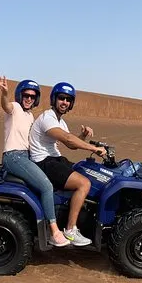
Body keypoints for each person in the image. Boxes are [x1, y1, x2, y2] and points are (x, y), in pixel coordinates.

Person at [29, 82, 107, 247]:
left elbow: (71, 144)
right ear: (54, 99)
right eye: (61, 98)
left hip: (55, 159)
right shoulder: (48, 118)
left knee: (85, 171)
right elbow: (68, 139)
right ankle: (71, 230)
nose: (64, 102)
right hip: (44, 162)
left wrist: (83, 136)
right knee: (84, 183)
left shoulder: (60, 121)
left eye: (68, 99)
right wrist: (94, 148)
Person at [0, 75, 70, 247]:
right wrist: (4, 93)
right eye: (26, 95)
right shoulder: (15, 108)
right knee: (46, 186)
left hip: (27, 157)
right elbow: (6, 106)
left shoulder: (30, 116)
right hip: (14, 156)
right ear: (20, 95)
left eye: (32, 96)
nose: (29, 99)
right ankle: (54, 231)